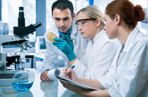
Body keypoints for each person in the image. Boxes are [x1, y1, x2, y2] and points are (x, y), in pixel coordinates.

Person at [61, 0, 148, 97]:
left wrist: (83, 92)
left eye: (106, 20)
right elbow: (110, 80)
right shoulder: (122, 46)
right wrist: (75, 79)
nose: (104, 27)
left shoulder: (141, 43)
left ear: (117, 19)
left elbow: (124, 91)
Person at [53, 5, 119, 79]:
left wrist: (70, 54)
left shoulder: (108, 43)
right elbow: (82, 68)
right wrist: (69, 68)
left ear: (97, 22)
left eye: (83, 23)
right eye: (78, 24)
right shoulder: (91, 44)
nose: (79, 28)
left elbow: (94, 80)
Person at [40, 0, 88, 81]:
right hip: (71, 77)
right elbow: (50, 60)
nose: (61, 24)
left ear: (73, 16)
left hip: (89, 75)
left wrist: (70, 54)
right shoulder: (50, 33)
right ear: (52, 17)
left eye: (65, 19)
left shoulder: (84, 29)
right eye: (57, 19)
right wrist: (48, 71)